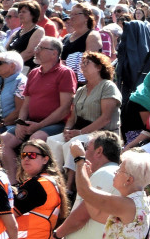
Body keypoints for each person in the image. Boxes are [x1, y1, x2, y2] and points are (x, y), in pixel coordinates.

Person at [1, 37, 76, 182]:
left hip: (55, 124)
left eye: (41, 48)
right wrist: (21, 123)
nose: (37, 51)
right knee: (4, 141)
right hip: (31, 122)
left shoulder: (65, 72)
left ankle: (35, 182)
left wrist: (40, 126)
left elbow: (65, 108)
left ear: (54, 53)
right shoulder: (34, 72)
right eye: (37, 48)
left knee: (36, 140)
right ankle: (14, 181)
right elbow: (26, 103)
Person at [46, 52, 121, 188]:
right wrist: (67, 130)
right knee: (53, 141)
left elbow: (105, 118)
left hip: (103, 132)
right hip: (80, 129)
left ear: (99, 67)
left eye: (86, 63)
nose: (82, 66)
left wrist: (79, 133)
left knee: (74, 143)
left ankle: (69, 186)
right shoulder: (81, 90)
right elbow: (72, 116)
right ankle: (55, 180)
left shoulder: (108, 86)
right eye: (81, 63)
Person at [62, 3, 103, 82]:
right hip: (65, 81)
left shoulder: (92, 36)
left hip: (82, 84)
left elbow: (90, 65)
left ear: (86, 17)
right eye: (71, 14)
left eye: (75, 14)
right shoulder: (67, 37)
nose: (71, 17)